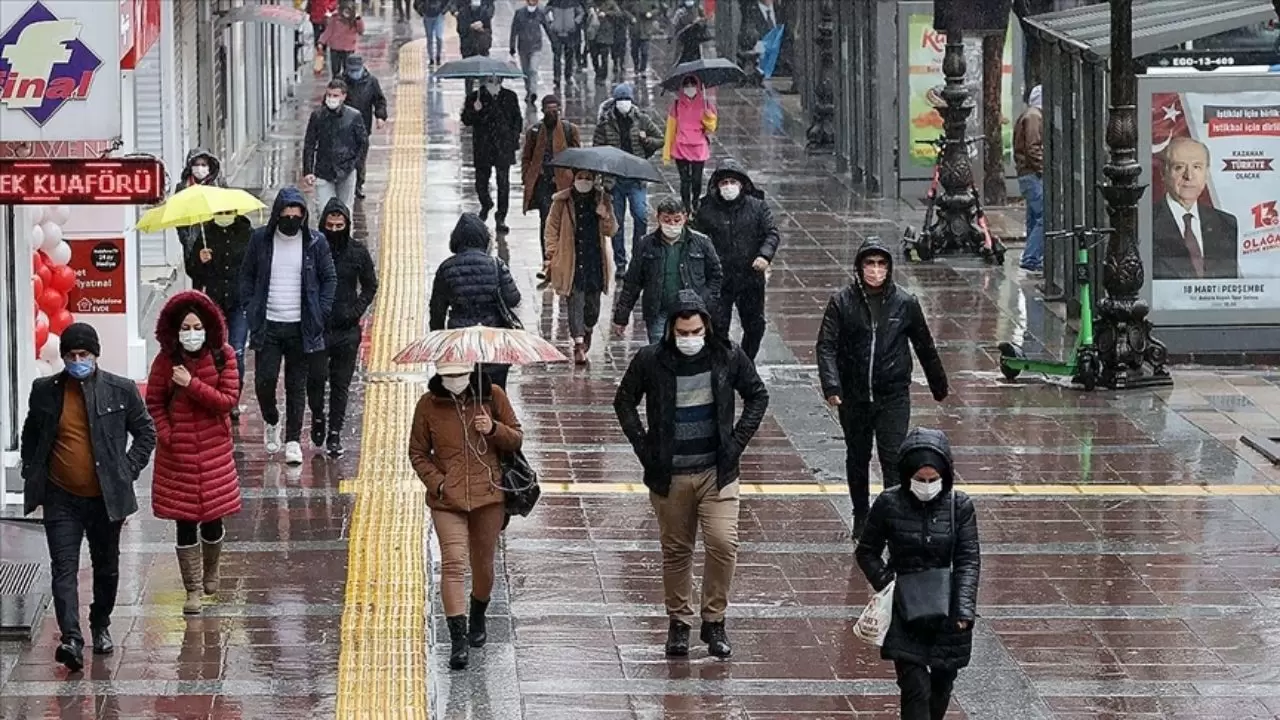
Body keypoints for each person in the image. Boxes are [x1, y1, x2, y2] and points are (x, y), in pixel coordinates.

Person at [613, 290, 769, 659]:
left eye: (695, 330)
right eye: (682, 332)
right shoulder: (651, 360)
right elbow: (624, 401)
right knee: (676, 551)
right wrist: (644, 447)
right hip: (670, 475)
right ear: (671, 330)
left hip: (718, 472)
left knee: (723, 543)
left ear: (707, 327)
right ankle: (679, 623)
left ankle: (714, 620)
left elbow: (757, 395)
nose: (689, 338)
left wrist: (736, 443)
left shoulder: (727, 356)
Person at [20, 323, 156, 671]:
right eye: (70, 356)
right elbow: (32, 432)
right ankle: (71, 638)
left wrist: (127, 469)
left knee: (106, 568)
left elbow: (145, 432)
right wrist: (30, 471)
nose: (77, 361)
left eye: (83, 355)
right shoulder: (45, 390)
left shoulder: (120, 390)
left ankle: (100, 623)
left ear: (95, 355)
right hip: (60, 496)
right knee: (63, 567)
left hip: (105, 498)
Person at [815, 239, 949, 540]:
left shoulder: (905, 303)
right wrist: (832, 386)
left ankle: (891, 516)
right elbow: (826, 346)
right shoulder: (842, 302)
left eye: (881, 264)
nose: (875, 270)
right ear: (859, 268)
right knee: (858, 456)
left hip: (893, 394)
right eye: (869, 264)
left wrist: (938, 385)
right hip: (854, 395)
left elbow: (924, 345)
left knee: (893, 457)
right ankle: (861, 513)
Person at [855, 428, 980, 720]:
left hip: (947, 613)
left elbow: (968, 560)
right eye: (920, 480)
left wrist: (963, 610)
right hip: (905, 613)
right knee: (915, 688)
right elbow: (866, 551)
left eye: (933, 480)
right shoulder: (889, 504)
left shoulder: (959, 506)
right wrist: (889, 584)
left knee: (941, 688)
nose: (926, 486)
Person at [409, 361, 523, 671]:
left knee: (483, 565)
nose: (455, 381)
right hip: (448, 500)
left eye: (460, 375)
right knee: (453, 562)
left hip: (489, 497)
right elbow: (417, 452)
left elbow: (516, 438)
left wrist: (494, 429)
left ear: (470, 373)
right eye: (449, 376)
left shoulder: (493, 396)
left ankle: (477, 614)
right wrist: (439, 483)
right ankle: (458, 639)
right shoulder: (428, 405)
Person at [145, 291, 242, 616]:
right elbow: (154, 402)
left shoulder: (223, 356)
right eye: (185, 327)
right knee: (185, 523)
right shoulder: (165, 361)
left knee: (212, 520)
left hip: (214, 452)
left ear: (207, 326)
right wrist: (168, 434)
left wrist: (191, 385)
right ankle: (192, 590)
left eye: (196, 326)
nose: (190, 333)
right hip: (178, 457)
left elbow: (227, 401)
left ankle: (211, 570)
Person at [240, 187, 338, 465]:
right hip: (268, 324)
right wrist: (250, 307)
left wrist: (321, 310)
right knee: (264, 381)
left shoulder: (315, 242)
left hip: (301, 326)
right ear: (278, 214)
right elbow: (246, 276)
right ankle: (272, 419)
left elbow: (329, 278)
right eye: (287, 214)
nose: (292, 219)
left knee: (297, 385)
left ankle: (293, 439)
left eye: (298, 215)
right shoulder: (260, 239)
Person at [695, 159, 780, 361]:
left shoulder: (757, 207)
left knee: (755, 325)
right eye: (724, 183)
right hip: (719, 280)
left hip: (750, 278)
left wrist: (764, 255)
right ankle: (723, 363)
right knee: (717, 326)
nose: (728, 187)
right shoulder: (706, 209)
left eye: (732, 182)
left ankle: (745, 362)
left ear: (741, 184)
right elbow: (696, 239)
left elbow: (771, 234)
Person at [612, 196, 723, 345]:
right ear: (658, 218)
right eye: (667, 220)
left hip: (692, 313)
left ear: (685, 217)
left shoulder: (701, 243)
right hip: (658, 311)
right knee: (659, 357)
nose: (672, 224)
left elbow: (715, 276)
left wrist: (703, 301)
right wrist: (622, 316)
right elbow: (632, 282)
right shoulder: (646, 245)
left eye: (677, 220)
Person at [428, 214, 522, 388]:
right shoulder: (496, 265)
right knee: (495, 393)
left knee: (465, 393)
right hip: (493, 341)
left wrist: (439, 344)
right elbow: (513, 298)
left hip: (460, 342)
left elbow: (437, 311)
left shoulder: (446, 268)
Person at [317, 198, 378, 457]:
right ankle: (319, 417)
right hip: (318, 328)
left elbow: (370, 285)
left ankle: (334, 433)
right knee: (316, 380)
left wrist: (355, 311)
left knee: (341, 384)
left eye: (339, 225)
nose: (334, 230)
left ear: (347, 225)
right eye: (329, 225)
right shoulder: (314, 249)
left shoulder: (357, 252)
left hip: (346, 329)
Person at [544, 170, 618, 363]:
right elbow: (551, 229)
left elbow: (611, 231)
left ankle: (587, 330)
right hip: (572, 259)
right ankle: (578, 343)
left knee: (592, 307)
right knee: (575, 300)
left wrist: (605, 215)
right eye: (580, 178)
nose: (584, 181)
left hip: (594, 260)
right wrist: (552, 255)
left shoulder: (602, 199)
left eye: (588, 178)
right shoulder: (562, 201)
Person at [183, 211, 251, 414]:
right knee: (215, 349)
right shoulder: (205, 234)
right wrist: (199, 260)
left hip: (239, 302)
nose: (224, 216)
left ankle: (233, 398)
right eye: (221, 213)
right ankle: (214, 391)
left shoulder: (247, 234)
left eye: (228, 212)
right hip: (215, 301)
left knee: (236, 349)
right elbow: (193, 271)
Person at [593, 82, 663, 278]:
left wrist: (646, 141)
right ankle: (620, 262)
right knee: (617, 223)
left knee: (640, 216)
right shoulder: (605, 123)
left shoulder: (641, 119)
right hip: (614, 181)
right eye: (620, 100)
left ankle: (638, 258)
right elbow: (597, 149)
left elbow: (660, 138)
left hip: (636, 178)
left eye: (627, 100)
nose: (624, 103)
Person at [1151, 136, 1239, 280]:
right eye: (1179, 167)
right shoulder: (1147, 222)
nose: (1189, 176)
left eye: (1197, 167)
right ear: (1163, 173)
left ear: (1206, 173)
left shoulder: (1227, 224)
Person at [521, 94, 582, 262]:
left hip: (564, 184)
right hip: (542, 184)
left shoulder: (570, 130)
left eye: (555, 110)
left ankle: (565, 257)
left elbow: (578, 157)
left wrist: (578, 180)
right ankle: (548, 258)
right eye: (549, 110)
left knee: (566, 221)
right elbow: (527, 157)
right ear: (543, 110)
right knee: (547, 220)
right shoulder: (534, 132)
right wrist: (527, 177)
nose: (552, 113)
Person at [461, 74, 523, 233]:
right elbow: (466, 120)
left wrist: (513, 139)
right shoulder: (476, 97)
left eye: (496, 80)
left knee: (503, 183)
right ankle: (486, 203)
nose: (493, 83)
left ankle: (501, 216)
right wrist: (475, 111)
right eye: (489, 80)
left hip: (503, 146)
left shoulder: (510, 96)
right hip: (483, 146)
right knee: (481, 181)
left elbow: (517, 120)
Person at [303, 78, 369, 211]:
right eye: (329, 95)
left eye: (335, 95)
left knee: (345, 210)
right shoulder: (317, 116)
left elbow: (363, 142)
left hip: (346, 170)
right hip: (323, 170)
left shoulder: (354, 116)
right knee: (324, 210)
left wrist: (356, 164)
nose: (331, 98)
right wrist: (308, 170)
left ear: (343, 96)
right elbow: (309, 143)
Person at [663, 75, 716, 215]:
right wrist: (666, 152)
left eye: (693, 84)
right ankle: (686, 206)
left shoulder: (705, 104)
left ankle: (695, 201)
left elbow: (711, 128)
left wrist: (708, 116)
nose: (690, 88)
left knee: (697, 180)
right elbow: (670, 128)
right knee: (685, 180)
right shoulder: (676, 105)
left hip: (698, 147)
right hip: (681, 147)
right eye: (686, 85)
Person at [340, 55, 387, 200]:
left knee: (360, 158)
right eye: (351, 70)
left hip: (363, 127)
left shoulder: (371, 82)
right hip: (342, 127)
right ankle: (344, 183)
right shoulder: (340, 82)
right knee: (344, 156)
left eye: (356, 70)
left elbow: (379, 100)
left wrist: (380, 116)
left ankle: (358, 185)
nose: (354, 73)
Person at [1014, 85, 1044, 273]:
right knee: (1045, 215)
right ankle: (1032, 257)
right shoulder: (1035, 116)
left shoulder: (1030, 114)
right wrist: (1044, 168)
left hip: (1027, 174)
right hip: (1032, 174)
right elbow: (1033, 147)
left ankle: (1032, 256)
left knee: (1034, 216)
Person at [173, 149, 227, 253]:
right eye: (196, 164)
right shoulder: (182, 188)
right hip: (192, 244)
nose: (200, 168)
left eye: (203, 165)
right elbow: (178, 218)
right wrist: (186, 240)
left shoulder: (218, 186)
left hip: (216, 242)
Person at [509, 0, 551, 104]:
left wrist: (554, 42)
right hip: (523, 47)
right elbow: (514, 30)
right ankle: (528, 90)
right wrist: (512, 47)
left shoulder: (541, 12)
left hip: (536, 46)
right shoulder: (519, 13)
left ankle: (533, 92)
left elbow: (547, 27)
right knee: (526, 71)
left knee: (533, 69)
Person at [318, 0, 364, 78]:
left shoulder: (355, 19)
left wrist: (358, 20)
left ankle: (347, 86)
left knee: (348, 71)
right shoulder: (335, 18)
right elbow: (328, 31)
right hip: (335, 48)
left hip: (348, 48)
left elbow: (361, 31)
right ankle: (336, 86)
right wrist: (321, 42)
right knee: (335, 70)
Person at [545, 0, 583, 92]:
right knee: (557, 56)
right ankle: (557, 77)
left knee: (569, 56)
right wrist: (551, 23)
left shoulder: (574, 3)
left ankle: (568, 76)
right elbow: (545, 12)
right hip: (557, 33)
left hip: (570, 33)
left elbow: (581, 13)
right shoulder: (553, 2)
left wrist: (575, 23)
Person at [588, 0, 625, 83]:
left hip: (605, 33)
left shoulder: (610, 3)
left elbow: (618, 13)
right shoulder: (591, 3)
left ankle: (603, 76)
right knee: (594, 55)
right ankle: (597, 71)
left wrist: (606, 13)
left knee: (604, 56)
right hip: (593, 33)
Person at [622, 0, 661, 75]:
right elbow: (624, 10)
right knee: (634, 51)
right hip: (635, 29)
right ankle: (636, 66)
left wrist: (651, 13)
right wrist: (631, 17)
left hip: (646, 29)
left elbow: (657, 9)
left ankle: (643, 69)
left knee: (645, 51)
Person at [414, 0, 450, 66]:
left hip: (439, 15)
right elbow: (416, 4)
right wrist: (422, 12)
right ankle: (431, 59)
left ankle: (438, 56)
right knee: (429, 38)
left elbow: (448, 2)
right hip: (427, 16)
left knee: (439, 37)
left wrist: (443, 11)